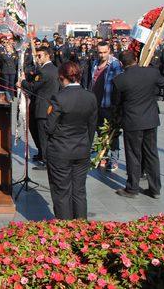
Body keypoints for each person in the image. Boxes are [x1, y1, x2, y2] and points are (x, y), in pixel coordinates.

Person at [112, 51, 164, 199]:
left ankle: (132, 188)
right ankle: (155, 189)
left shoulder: (119, 80)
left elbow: (117, 103)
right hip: (150, 120)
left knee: (134, 155)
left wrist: (116, 120)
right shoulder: (151, 73)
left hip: (132, 122)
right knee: (152, 154)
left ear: (121, 64)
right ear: (136, 59)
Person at [44, 62, 97, 219]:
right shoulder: (90, 96)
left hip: (61, 150)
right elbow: (92, 125)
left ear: (62, 77)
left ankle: (65, 228)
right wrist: (86, 144)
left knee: (61, 191)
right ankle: (80, 228)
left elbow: (49, 127)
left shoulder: (59, 98)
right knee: (79, 190)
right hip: (82, 149)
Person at [18, 46, 59, 168]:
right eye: (36, 55)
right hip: (49, 105)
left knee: (42, 134)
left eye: (39, 55)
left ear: (47, 56)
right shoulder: (53, 69)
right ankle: (42, 154)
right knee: (36, 130)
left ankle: (46, 160)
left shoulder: (44, 71)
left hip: (43, 106)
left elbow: (33, 87)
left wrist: (22, 82)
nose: (37, 58)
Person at [89, 41, 123, 171]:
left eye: (105, 52)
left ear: (109, 50)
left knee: (111, 133)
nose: (102, 55)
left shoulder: (115, 64)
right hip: (96, 103)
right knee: (100, 132)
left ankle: (113, 160)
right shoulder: (95, 63)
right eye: (100, 52)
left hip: (109, 104)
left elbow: (118, 85)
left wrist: (117, 105)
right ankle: (103, 156)